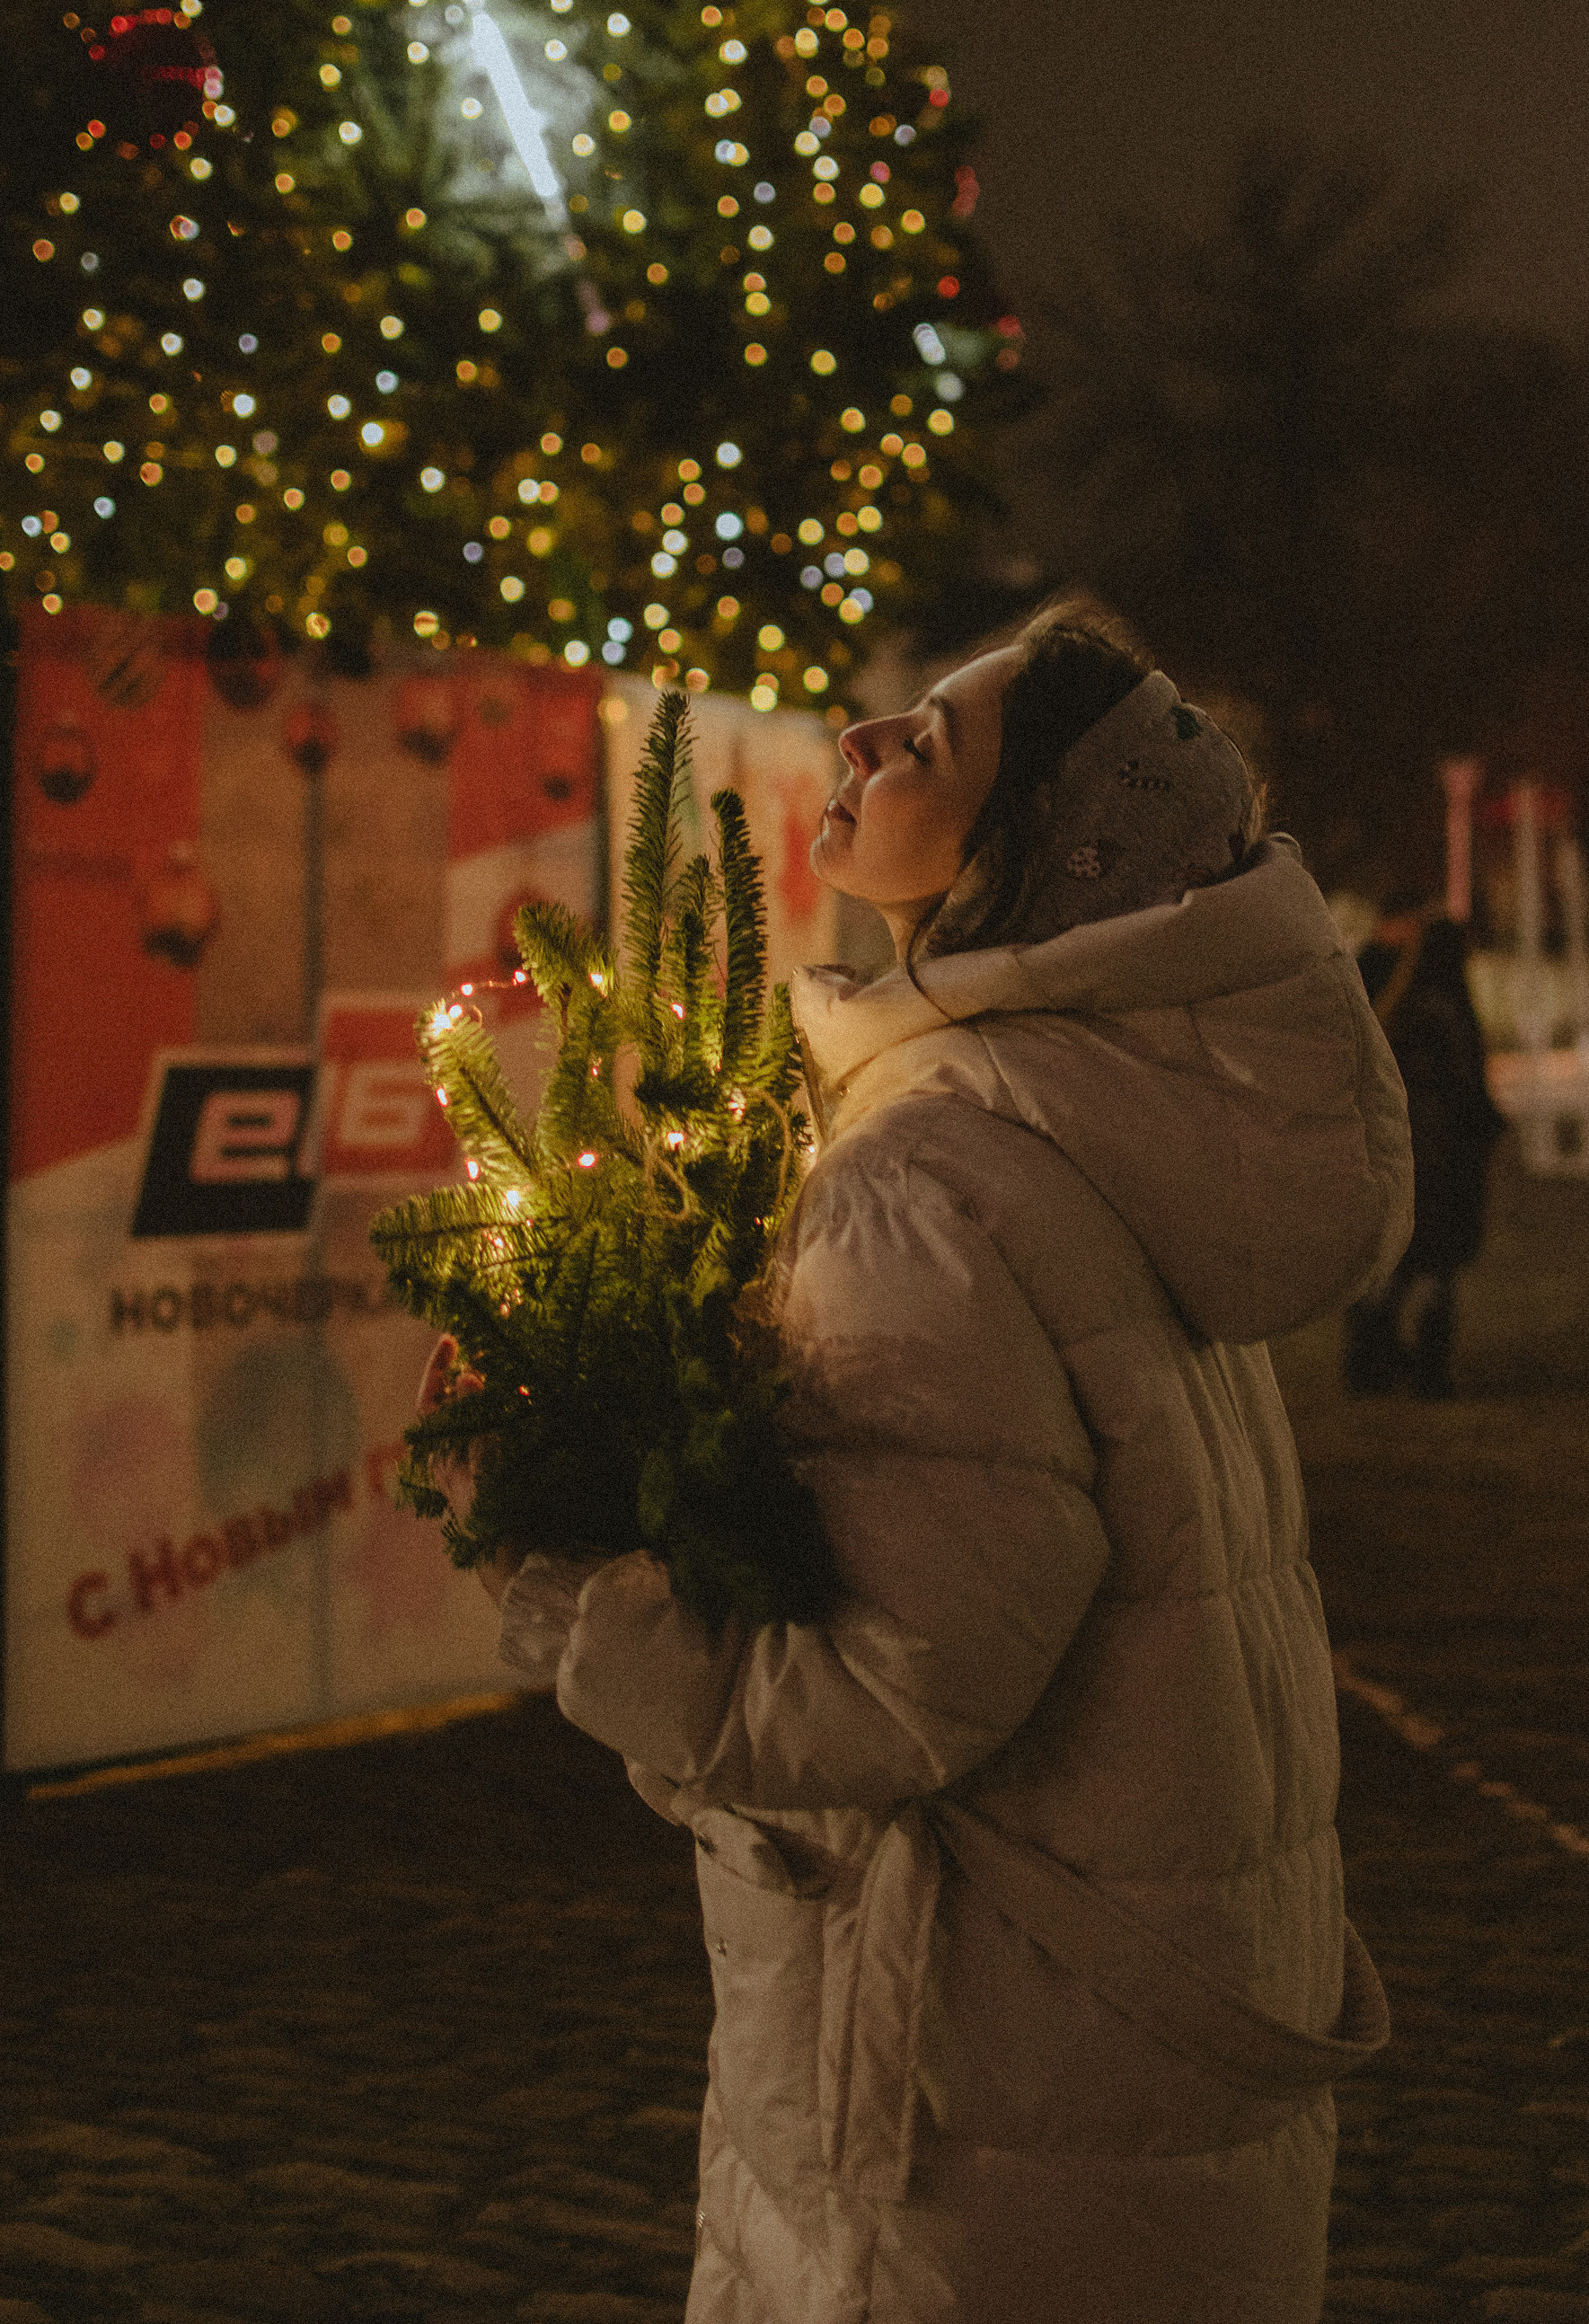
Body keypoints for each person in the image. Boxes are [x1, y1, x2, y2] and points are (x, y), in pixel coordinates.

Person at [432, 603, 1412, 2324]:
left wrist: (565, 1576)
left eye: (936, 743)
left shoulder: (934, 1179)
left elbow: (882, 1697)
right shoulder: (1122, 1140)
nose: (871, 742)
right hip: (1126, 2082)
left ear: (1039, 857)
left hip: (968, 2103)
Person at [1344, 913, 1505, 1399]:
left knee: (1398, 1262)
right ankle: (1427, 1367)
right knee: (1439, 1268)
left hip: (1403, 1157)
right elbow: (1468, 1093)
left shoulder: (1395, 1010)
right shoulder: (1450, 1015)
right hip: (1447, 1160)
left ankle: (1371, 1358)